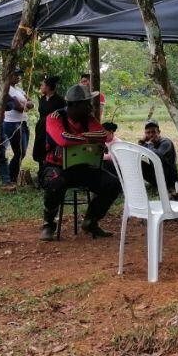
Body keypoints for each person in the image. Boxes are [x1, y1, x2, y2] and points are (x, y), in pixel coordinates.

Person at [39, 84, 121, 241]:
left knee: (112, 184)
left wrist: (80, 138)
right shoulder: (54, 117)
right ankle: (48, 224)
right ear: (75, 105)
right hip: (56, 166)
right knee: (54, 181)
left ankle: (91, 222)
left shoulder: (89, 119)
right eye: (87, 103)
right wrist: (89, 138)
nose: (90, 106)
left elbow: (103, 135)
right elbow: (63, 139)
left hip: (81, 167)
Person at [0, 68, 33, 186]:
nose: (18, 77)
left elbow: (31, 103)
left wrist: (25, 105)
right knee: (19, 152)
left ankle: (12, 175)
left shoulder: (19, 90)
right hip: (12, 123)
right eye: (15, 75)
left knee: (23, 152)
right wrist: (25, 105)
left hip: (23, 122)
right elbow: (18, 107)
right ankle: (11, 177)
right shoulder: (7, 89)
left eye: (19, 75)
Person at [33, 75, 65, 165]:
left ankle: (50, 172)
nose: (41, 87)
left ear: (48, 87)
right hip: (41, 128)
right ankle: (41, 173)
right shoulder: (42, 99)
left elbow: (64, 114)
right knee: (40, 150)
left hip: (52, 131)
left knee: (50, 150)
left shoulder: (60, 100)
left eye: (42, 85)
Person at [139, 120, 178, 189]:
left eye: (153, 132)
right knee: (138, 160)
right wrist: (142, 142)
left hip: (168, 179)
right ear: (145, 134)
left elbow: (156, 157)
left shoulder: (166, 142)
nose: (151, 135)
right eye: (148, 132)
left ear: (159, 132)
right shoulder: (147, 143)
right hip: (157, 176)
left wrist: (150, 144)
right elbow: (138, 153)